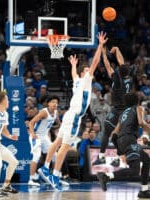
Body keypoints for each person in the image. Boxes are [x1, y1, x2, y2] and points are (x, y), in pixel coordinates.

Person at [37, 31, 108, 190]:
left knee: (57, 142)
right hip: (75, 116)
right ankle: (54, 175)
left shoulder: (77, 81)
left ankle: (45, 167)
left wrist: (74, 66)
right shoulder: (85, 80)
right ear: (85, 73)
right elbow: (96, 61)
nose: (91, 71)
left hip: (69, 113)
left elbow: (74, 75)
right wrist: (100, 45)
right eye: (88, 70)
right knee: (64, 146)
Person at [96, 92, 150, 199]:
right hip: (129, 139)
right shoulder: (138, 108)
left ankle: (144, 191)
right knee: (134, 171)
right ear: (136, 101)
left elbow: (114, 134)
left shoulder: (123, 114)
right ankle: (106, 176)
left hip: (122, 140)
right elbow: (141, 123)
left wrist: (120, 149)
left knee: (146, 159)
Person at [93, 45, 132, 166]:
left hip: (119, 109)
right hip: (125, 110)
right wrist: (117, 50)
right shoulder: (128, 78)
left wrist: (104, 54)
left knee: (107, 132)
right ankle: (117, 159)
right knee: (117, 134)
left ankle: (103, 156)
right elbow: (121, 62)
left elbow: (107, 65)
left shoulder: (117, 78)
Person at [28, 95, 61, 186]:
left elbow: (58, 124)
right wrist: (32, 133)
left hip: (45, 136)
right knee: (37, 155)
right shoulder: (44, 112)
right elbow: (31, 122)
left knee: (55, 155)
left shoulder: (56, 112)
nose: (55, 104)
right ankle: (31, 179)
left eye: (56, 102)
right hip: (36, 136)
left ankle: (54, 177)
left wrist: (61, 129)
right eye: (53, 102)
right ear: (48, 103)